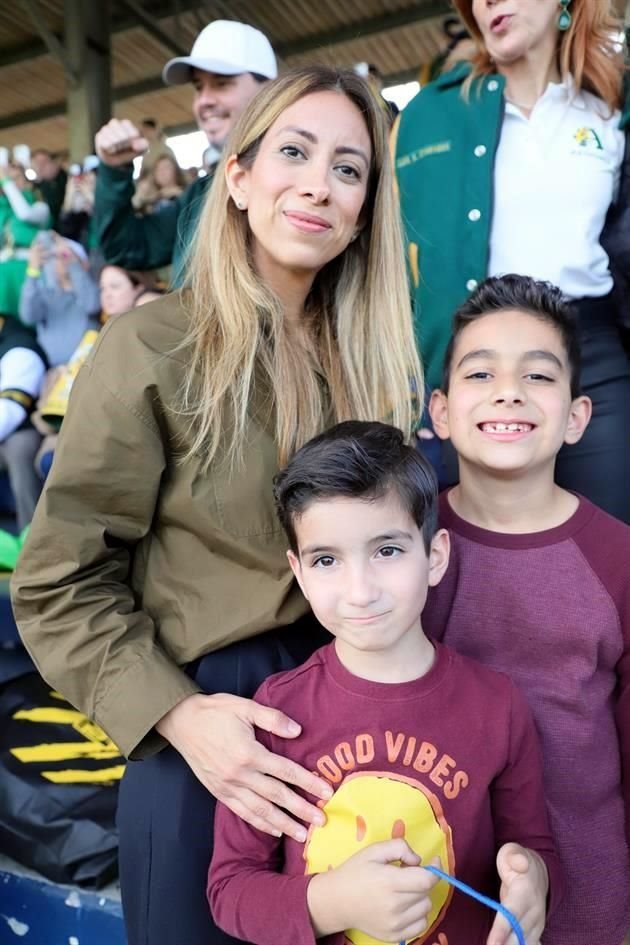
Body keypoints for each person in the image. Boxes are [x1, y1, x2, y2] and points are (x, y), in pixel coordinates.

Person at [11, 65, 422, 945]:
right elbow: (56, 580)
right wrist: (179, 716)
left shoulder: (378, 369)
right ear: (235, 179)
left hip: (360, 725)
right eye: (295, 152)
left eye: (349, 169)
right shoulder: (151, 347)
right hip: (206, 727)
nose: (320, 182)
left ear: (364, 212)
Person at [209, 420, 561, 945]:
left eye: (387, 551)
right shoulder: (277, 712)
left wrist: (532, 875)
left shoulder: (498, 706)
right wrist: (335, 902)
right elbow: (230, 892)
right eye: (326, 560)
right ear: (299, 573)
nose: (360, 591)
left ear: (434, 557)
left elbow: (532, 846)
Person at [424, 273, 630, 945]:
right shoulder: (400, 547)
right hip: (430, 902)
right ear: (442, 411)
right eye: (480, 373)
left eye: (538, 376)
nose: (508, 390)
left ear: (576, 416)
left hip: (591, 906)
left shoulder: (617, 559)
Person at [395, 0, 630, 522]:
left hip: (592, 352)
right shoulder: (430, 113)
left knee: (611, 538)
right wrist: (426, 380)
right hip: (477, 352)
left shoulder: (612, 106)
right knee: (484, 550)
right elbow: (399, 263)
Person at [93, 19, 277, 282]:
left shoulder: (297, 183)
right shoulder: (202, 192)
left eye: (222, 83)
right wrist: (113, 170)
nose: (204, 100)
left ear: (270, 90)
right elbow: (128, 247)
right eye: (199, 87)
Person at [20, 233, 101, 365]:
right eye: (56, 257)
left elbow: (92, 305)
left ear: (83, 262)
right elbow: (28, 316)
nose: (62, 260)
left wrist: (74, 264)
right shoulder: (46, 295)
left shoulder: (90, 289)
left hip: (87, 368)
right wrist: (33, 270)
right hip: (55, 373)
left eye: (66, 256)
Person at [0, 315, 46, 530]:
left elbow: (10, 410)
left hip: (22, 428)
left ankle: (32, 537)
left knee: (20, 450)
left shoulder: (19, 346)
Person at [0, 162, 50, 321]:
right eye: (9, 179)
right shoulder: (3, 211)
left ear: (28, 183)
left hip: (31, 273)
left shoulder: (40, 207)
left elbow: (24, 214)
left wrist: (6, 182)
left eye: (16, 178)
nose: (12, 183)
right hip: (5, 276)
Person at [31, 148, 67, 229]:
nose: (41, 166)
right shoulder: (30, 181)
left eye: (44, 162)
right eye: (38, 163)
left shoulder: (60, 177)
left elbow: (54, 204)